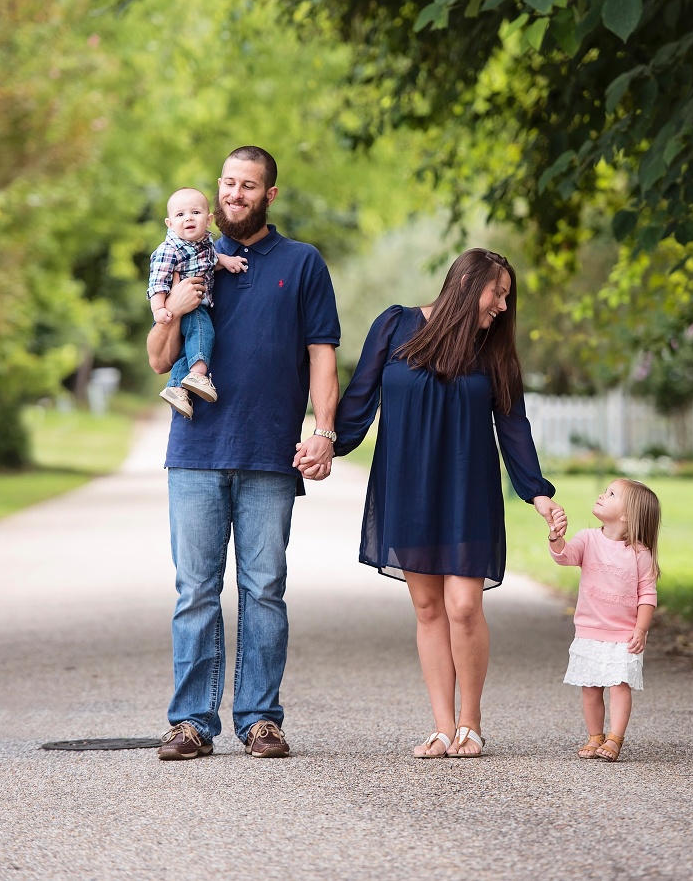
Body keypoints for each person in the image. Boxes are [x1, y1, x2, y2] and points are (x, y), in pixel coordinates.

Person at [147, 146, 340, 761]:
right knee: (195, 591)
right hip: (195, 449)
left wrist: (324, 431)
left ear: (269, 195)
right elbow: (157, 359)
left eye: (248, 185)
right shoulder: (189, 256)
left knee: (264, 590)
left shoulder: (302, 263)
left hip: (268, 453)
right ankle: (191, 722)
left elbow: (322, 354)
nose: (235, 194)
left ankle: (260, 719)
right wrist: (174, 310)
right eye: (228, 183)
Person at [331, 248, 563, 759]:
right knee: (428, 606)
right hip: (408, 486)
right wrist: (326, 444)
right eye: (497, 293)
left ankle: (470, 723)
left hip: (467, 489)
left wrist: (538, 492)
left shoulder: (494, 353)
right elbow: (359, 398)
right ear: (465, 284)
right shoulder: (395, 325)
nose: (503, 306)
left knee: (463, 605)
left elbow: (514, 426)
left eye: (507, 297)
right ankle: (441, 727)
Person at [547, 478, 661, 762]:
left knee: (619, 686)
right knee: (590, 688)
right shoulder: (588, 538)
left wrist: (641, 629)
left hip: (623, 635)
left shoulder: (640, 553)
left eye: (611, 494)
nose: (602, 494)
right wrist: (556, 537)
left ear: (627, 516)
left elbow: (647, 595)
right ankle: (595, 736)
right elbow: (565, 557)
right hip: (590, 631)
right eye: (605, 490)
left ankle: (615, 738)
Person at [147, 187, 248, 419]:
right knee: (204, 332)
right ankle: (198, 374)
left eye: (195, 212)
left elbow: (212, 261)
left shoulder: (204, 245)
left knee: (187, 348)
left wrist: (226, 261)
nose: (188, 218)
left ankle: (175, 387)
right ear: (170, 223)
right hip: (189, 306)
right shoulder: (169, 249)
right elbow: (158, 282)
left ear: (209, 219)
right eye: (180, 215)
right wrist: (160, 309)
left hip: (195, 304)